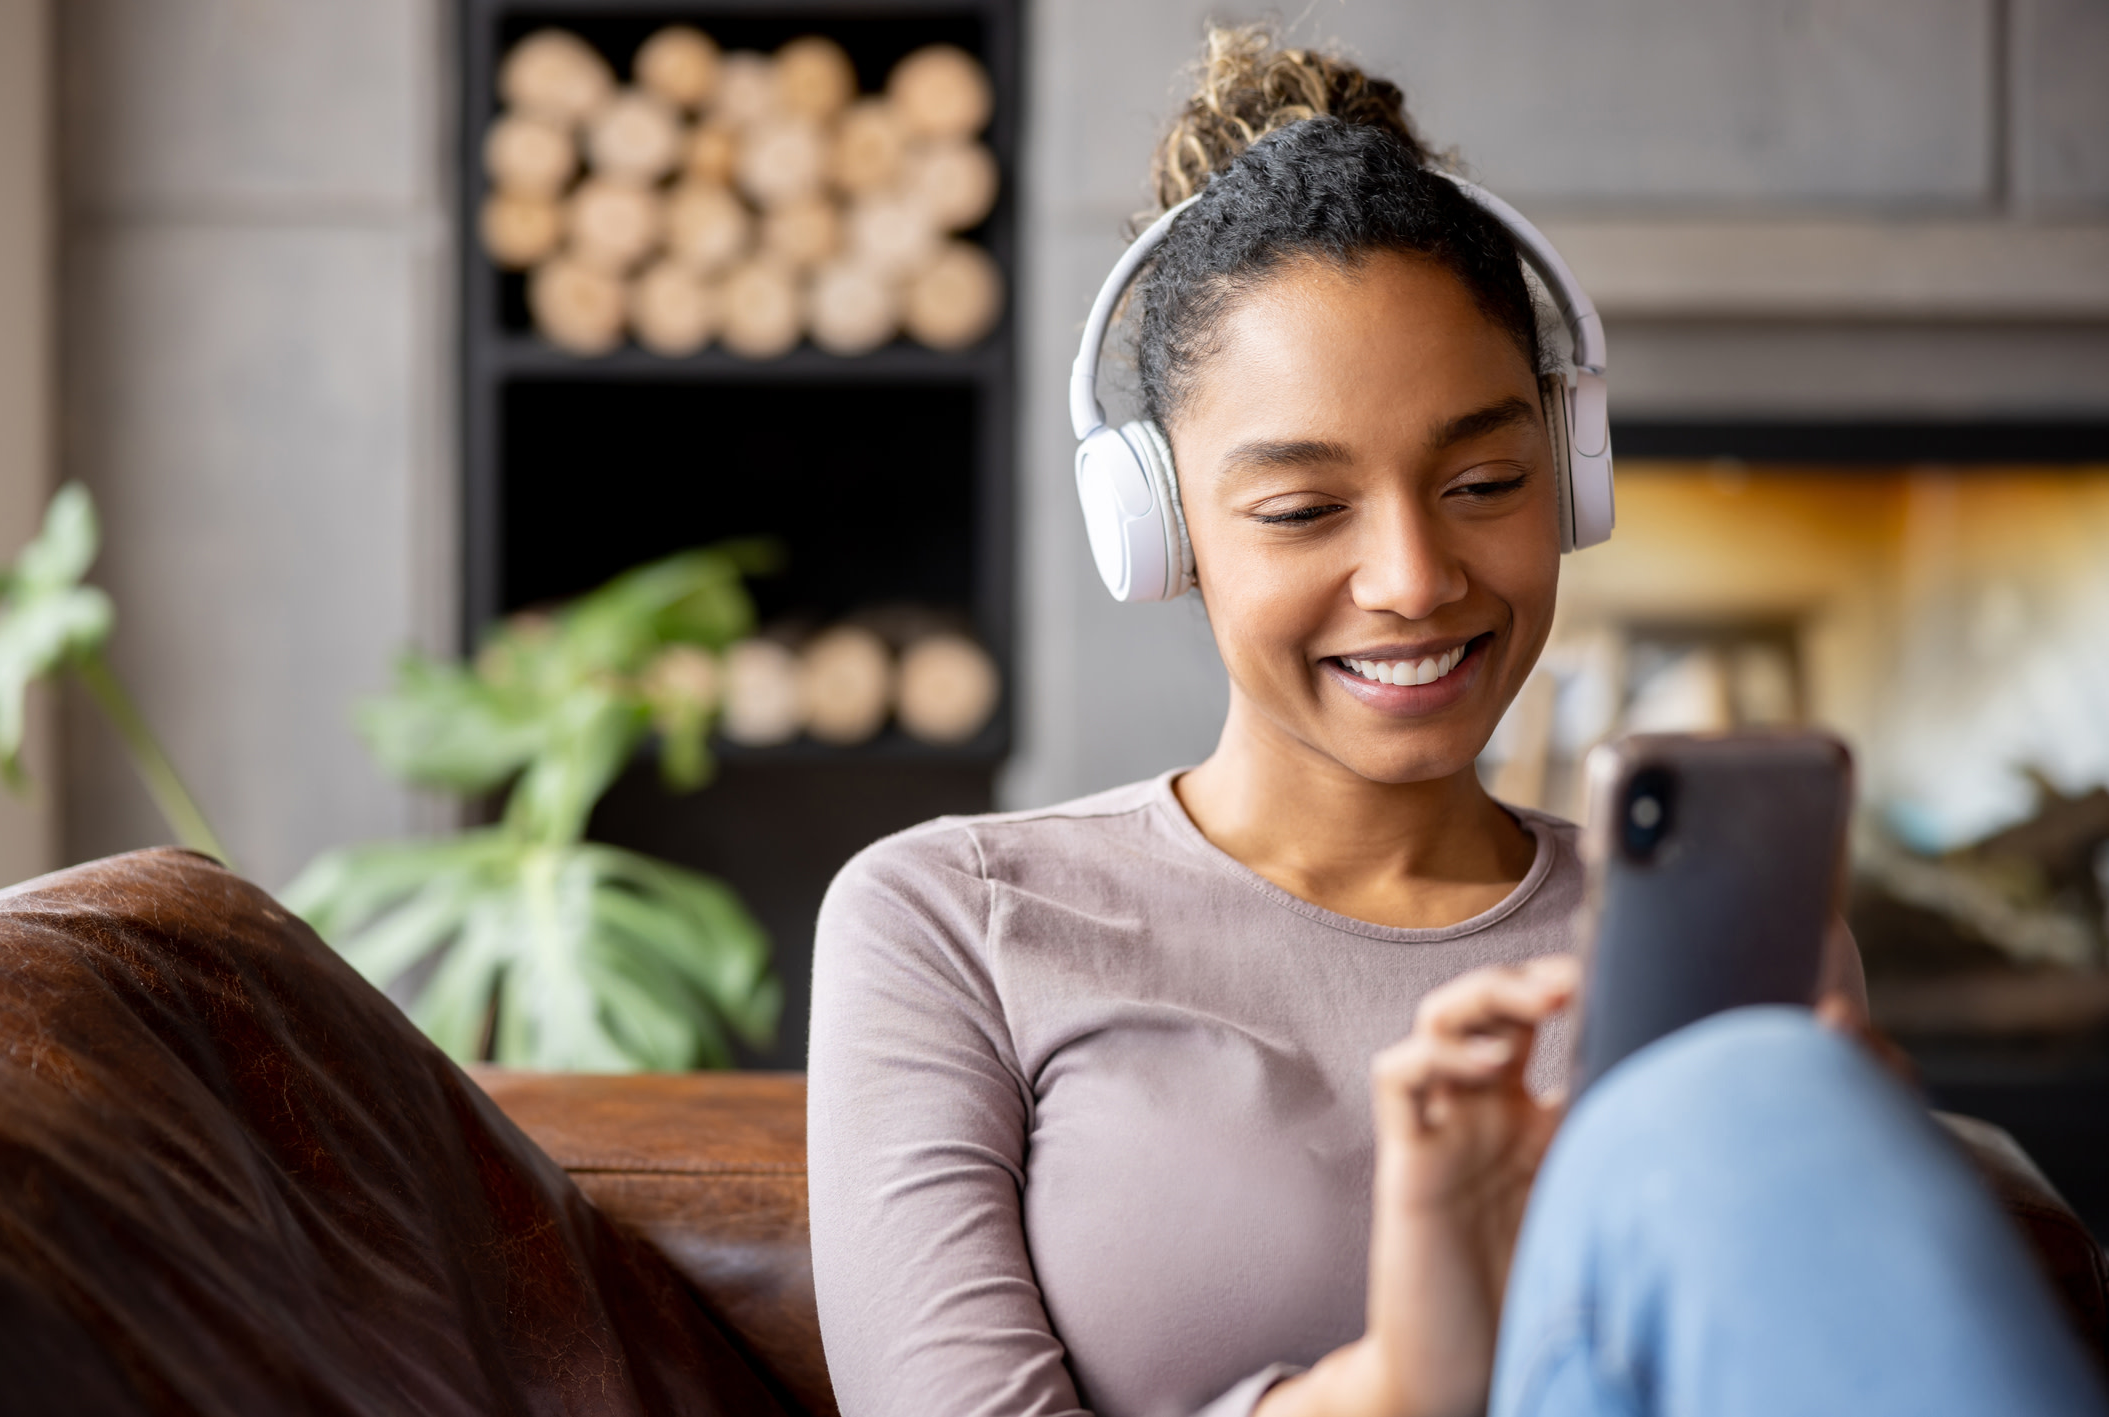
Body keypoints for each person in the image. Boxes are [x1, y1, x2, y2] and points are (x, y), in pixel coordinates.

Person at [805, 25, 2105, 1417]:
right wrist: (1407, 1375)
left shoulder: (1710, 936)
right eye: (1305, 509)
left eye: (1485, 481)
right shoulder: (953, 919)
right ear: (1163, 530)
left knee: (1763, 1101)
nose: (1417, 580)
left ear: (1575, 473)